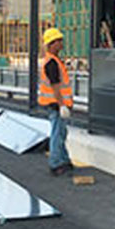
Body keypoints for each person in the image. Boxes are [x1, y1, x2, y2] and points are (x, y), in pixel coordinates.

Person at [38, 27, 74, 176]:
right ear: (51, 44)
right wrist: (62, 105)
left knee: (61, 133)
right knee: (57, 134)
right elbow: (56, 87)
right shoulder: (51, 63)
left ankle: (64, 160)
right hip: (56, 104)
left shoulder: (54, 61)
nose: (61, 43)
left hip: (56, 104)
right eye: (58, 41)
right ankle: (56, 163)